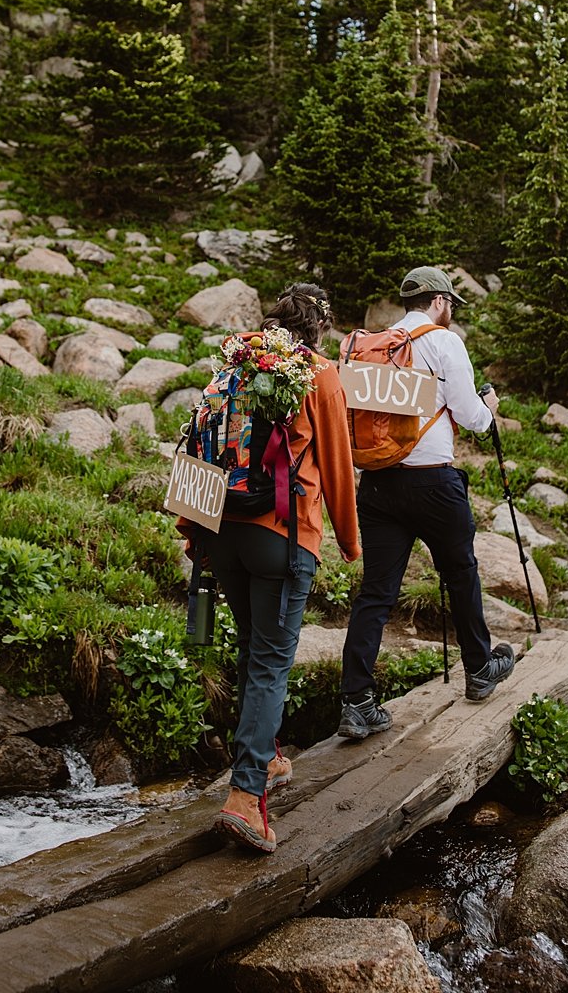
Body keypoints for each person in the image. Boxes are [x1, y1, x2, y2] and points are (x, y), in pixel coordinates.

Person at [193, 283, 360, 855]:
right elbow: (337, 462)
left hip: (221, 529)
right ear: (319, 330)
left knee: (252, 647)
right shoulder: (317, 374)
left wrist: (194, 533)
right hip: (281, 536)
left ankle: (269, 754)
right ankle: (245, 798)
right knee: (270, 661)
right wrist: (349, 541)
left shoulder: (233, 365)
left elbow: (196, 442)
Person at [339, 265, 514, 736]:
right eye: (451, 304)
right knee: (460, 573)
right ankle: (479, 670)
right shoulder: (443, 342)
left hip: (377, 483)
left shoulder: (377, 345)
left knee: (375, 593)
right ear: (439, 302)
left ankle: (357, 701)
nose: (451, 312)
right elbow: (472, 418)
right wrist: (490, 407)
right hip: (434, 483)